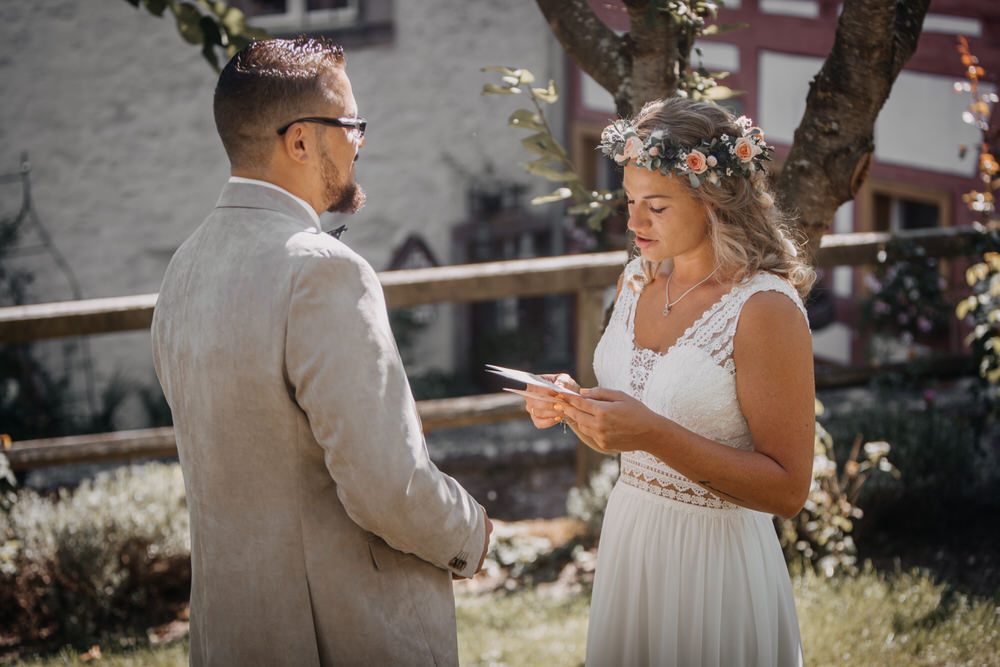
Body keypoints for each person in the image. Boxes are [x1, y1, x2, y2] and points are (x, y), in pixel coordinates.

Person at [151, 37, 491, 666]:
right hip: (339, 628)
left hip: (233, 629)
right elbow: (386, 485)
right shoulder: (323, 272)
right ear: (301, 140)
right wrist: (471, 530)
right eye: (351, 124)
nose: (362, 140)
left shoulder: (185, 265)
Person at [522, 97, 814, 666]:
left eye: (655, 206)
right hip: (634, 538)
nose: (632, 223)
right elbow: (635, 416)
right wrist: (574, 404)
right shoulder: (637, 278)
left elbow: (788, 490)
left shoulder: (763, 309)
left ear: (714, 202)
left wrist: (650, 432)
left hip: (715, 562)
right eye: (629, 202)